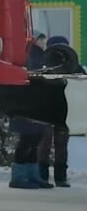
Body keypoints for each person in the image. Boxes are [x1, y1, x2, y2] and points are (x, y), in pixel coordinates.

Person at [37, 35, 83, 187]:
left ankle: (58, 177)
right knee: (46, 144)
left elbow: (82, 82)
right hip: (51, 110)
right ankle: (45, 176)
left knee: (59, 144)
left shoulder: (73, 65)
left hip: (61, 110)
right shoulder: (44, 65)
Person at [10, 34, 52, 189]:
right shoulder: (31, 56)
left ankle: (33, 175)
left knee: (34, 142)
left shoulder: (41, 56)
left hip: (36, 107)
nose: (44, 43)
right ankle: (18, 176)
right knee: (26, 141)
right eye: (42, 40)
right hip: (27, 107)